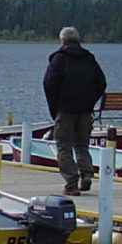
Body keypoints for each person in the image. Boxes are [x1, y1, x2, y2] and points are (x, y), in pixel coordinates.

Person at [42, 26, 107, 196]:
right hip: (85, 111)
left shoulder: (59, 59)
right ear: (78, 40)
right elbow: (101, 83)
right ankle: (86, 174)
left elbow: (49, 84)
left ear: (62, 40)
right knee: (82, 145)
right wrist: (90, 101)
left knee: (64, 146)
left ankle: (71, 183)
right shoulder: (89, 58)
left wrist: (55, 107)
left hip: (65, 110)